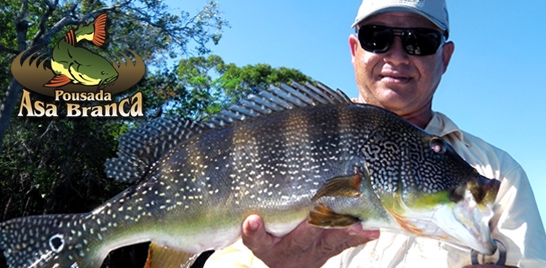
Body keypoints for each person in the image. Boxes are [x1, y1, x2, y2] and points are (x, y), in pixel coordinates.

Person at [204, 0, 546, 267]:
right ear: (355, 50)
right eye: (377, 38)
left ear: (445, 56)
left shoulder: (498, 173)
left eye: (420, 41)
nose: (396, 56)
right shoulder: (270, 146)